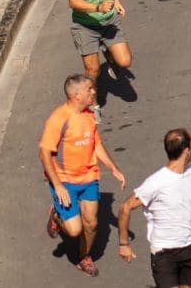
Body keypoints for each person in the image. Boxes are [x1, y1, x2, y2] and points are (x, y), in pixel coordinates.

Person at [40, 74, 126, 277]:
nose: (94, 91)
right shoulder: (58, 118)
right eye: (89, 89)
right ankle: (57, 215)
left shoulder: (89, 115)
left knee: (92, 223)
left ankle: (83, 257)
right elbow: (44, 153)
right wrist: (57, 185)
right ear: (77, 95)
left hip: (89, 178)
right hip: (65, 181)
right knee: (74, 230)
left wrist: (113, 168)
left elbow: (96, 144)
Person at [117, 128, 191, 288]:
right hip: (164, 252)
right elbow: (125, 207)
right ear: (187, 150)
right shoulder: (156, 182)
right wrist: (123, 244)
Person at [68, 0, 133, 123]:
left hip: (108, 21)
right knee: (93, 71)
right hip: (86, 26)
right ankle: (93, 106)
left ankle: (110, 55)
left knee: (125, 61)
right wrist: (97, 7)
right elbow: (73, 1)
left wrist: (116, 0)